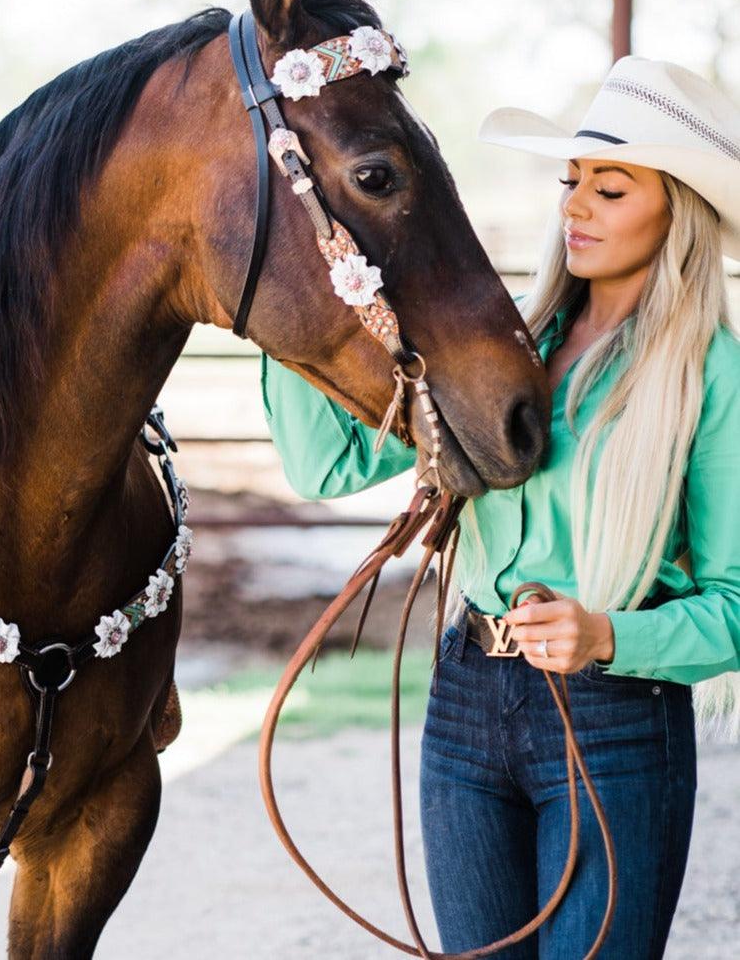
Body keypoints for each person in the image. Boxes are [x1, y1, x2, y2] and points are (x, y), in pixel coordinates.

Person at [260, 55, 740, 959]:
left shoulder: (713, 377)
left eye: (610, 188)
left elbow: (736, 603)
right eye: (572, 183)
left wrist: (606, 635)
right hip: (467, 701)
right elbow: (326, 464)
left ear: (675, 207)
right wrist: (281, 318)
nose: (575, 208)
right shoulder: (502, 342)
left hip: (615, 715)